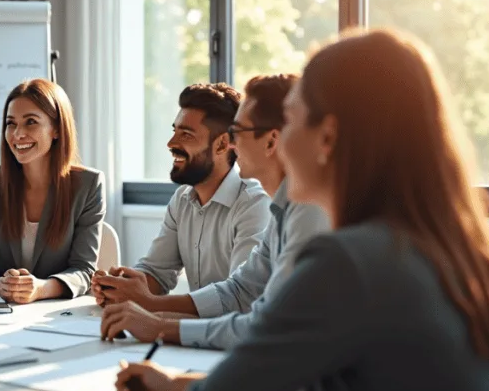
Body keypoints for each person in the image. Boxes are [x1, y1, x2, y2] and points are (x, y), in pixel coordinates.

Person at [114, 29, 489, 391]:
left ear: (326, 137)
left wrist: (187, 385)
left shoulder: (347, 262)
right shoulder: (450, 249)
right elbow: (326, 380)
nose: (281, 143)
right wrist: (182, 386)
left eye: (291, 120)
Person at [100, 75, 330, 350]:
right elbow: (241, 291)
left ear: (271, 142)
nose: (232, 144)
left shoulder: (306, 212)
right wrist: (141, 302)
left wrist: (160, 324)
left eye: (238, 133)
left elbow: (264, 321)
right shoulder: (283, 209)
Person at [92, 83, 270, 303]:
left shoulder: (254, 203)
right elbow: (157, 273)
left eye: (186, 135)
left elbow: (240, 298)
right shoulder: (182, 199)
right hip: (200, 332)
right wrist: (123, 286)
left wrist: (152, 306)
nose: (171, 143)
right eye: (174, 131)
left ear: (222, 144)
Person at [0, 79, 105, 303]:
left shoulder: (88, 185)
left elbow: (83, 270)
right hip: (5, 314)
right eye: (11, 123)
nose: (18, 134)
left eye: (31, 122)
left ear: (56, 129)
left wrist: (41, 289)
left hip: (56, 316)